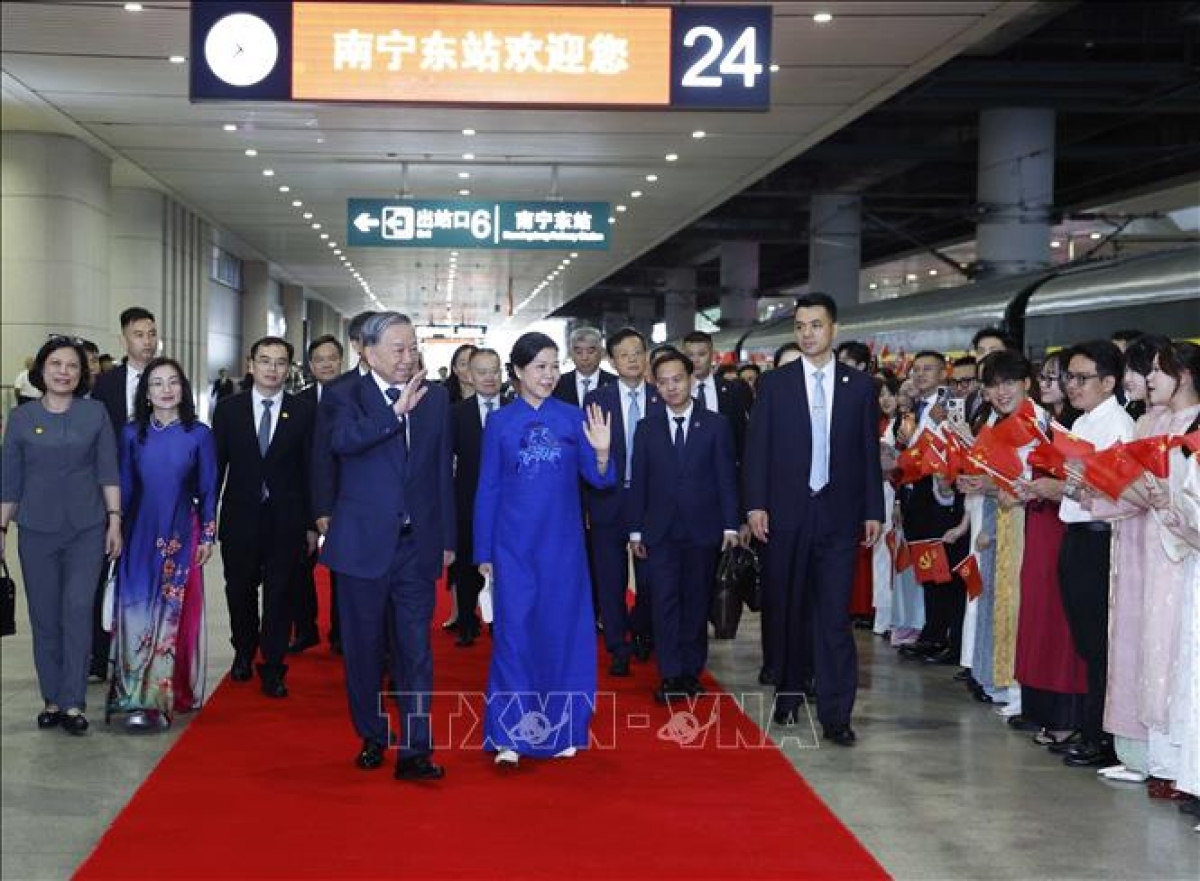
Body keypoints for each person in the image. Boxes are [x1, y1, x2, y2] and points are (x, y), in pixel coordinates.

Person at [745, 293, 884, 745]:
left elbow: (867, 453)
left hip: (839, 516)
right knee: (787, 607)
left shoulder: (860, 387)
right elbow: (758, 449)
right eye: (801, 326)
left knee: (833, 617)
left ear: (834, 329)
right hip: (786, 512)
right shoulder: (775, 384)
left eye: (816, 325)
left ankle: (836, 713)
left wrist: (872, 510)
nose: (807, 333)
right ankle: (787, 694)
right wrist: (756, 504)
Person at [319, 312, 452, 782]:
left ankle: (417, 749)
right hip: (361, 546)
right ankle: (373, 735)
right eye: (397, 348)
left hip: (416, 545)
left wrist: (447, 540)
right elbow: (341, 443)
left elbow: (441, 473)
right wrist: (393, 414)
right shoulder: (342, 396)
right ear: (368, 352)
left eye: (412, 346)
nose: (407, 356)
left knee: (416, 650)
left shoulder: (435, 399)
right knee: (365, 649)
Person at [474, 332, 614, 767]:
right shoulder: (499, 422)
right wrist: (484, 553)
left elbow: (600, 480)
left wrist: (604, 452)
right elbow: (488, 488)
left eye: (554, 366)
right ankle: (511, 736)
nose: (550, 375)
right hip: (512, 547)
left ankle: (565, 729)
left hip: (563, 549)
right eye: (540, 367)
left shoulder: (575, 418)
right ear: (517, 372)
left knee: (564, 637)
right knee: (514, 639)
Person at [0, 336, 122, 735]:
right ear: (41, 370)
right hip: (36, 530)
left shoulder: (95, 413)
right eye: (56, 364)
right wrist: (1, 528)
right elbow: (10, 482)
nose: (64, 372)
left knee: (76, 609)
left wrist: (115, 520)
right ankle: (51, 698)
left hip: (87, 529)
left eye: (72, 366)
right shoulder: (20, 419)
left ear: (82, 373)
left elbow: (108, 470)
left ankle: (73, 702)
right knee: (44, 616)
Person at [108, 358, 217, 730]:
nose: (166, 389)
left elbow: (208, 489)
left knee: (171, 618)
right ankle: (133, 697)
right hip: (138, 533)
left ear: (184, 389)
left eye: (173, 382)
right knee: (136, 612)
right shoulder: (131, 433)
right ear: (146, 392)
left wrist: (207, 535)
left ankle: (161, 700)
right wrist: (115, 526)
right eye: (157, 383)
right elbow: (122, 485)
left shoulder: (199, 434)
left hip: (181, 534)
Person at [628, 350, 738, 703]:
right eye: (663, 382)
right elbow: (638, 482)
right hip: (659, 532)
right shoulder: (647, 428)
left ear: (691, 380)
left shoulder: (716, 424)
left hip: (703, 531)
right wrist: (635, 531)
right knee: (664, 602)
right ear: (654, 386)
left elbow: (726, 478)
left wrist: (730, 526)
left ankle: (692, 671)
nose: (671, 387)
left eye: (678, 379)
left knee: (696, 602)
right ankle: (670, 674)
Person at [212, 336, 316, 699]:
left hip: (286, 520)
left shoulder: (303, 411)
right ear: (251, 364)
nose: (273, 369)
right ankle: (243, 650)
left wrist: (310, 523)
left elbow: (310, 470)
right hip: (240, 517)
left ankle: (273, 666)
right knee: (238, 590)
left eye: (281, 362)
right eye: (265, 361)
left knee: (280, 595)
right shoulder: (229, 409)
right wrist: (208, 517)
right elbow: (216, 466)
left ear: (289, 368)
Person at [1055, 340, 1135, 768]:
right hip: (1077, 533)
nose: (1072, 385)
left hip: (1100, 537)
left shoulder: (1117, 426)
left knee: (1100, 641)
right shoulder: (1083, 422)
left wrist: (1068, 484)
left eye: (1082, 378)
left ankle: (1101, 736)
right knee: (1086, 639)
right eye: (1069, 376)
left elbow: (1116, 490)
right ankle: (1089, 728)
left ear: (1109, 382)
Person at [583, 327, 662, 676]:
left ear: (646, 356)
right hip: (608, 500)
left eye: (638, 352)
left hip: (650, 502)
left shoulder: (662, 396)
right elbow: (587, 456)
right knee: (610, 578)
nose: (632, 359)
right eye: (624, 354)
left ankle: (643, 630)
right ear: (612, 361)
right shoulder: (596, 400)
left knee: (650, 579)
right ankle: (618, 644)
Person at [89, 307, 160, 679]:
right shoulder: (105, 384)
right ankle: (99, 657)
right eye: (139, 334)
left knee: (149, 574)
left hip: (156, 493)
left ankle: (147, 651)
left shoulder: (167, 379)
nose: (146, 342)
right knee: (104, 570)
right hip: (111, 491)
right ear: (124, 338)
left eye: (151, 334)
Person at [290, 335, 344, 654]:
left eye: (332, 357)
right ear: (311, 366)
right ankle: (306, 628)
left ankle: (341, 633)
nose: (326, 364)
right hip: (304, 496)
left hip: (344, 498)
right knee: (300, 568)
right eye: (319, 359)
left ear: (341, 361)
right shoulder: (299, 404)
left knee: (342, 571)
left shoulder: (355, 398)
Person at [449, 348, 504, 646]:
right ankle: (467, 622)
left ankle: (502, 622)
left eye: (494, 371)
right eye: (482, 372)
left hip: (508, 507)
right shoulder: (457, 413)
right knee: (468, 566)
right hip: (467, 502)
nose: (489, 378)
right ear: (469, 375)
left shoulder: (515, 409)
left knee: (506, 566)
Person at [681, 331, 753, 465]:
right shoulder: (676, 392)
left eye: (702, 354)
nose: (695, 360)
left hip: (725, 467)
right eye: (690, 355)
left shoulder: (732, 390)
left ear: (712, 355)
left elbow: (741, 434)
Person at [553, 326, 616, 406]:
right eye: (579, 352)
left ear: (602, 352)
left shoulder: (615, 383)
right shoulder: (557, 383)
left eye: (590, 352)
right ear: (571, 354)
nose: (584, 357)